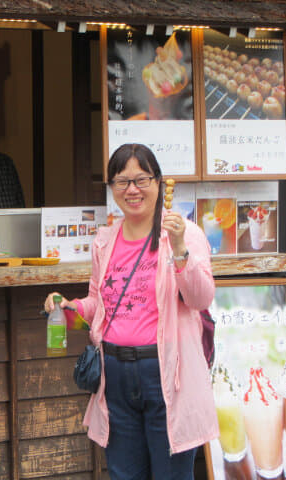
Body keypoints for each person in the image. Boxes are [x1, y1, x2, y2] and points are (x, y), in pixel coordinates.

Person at [44, 143, 218, 479]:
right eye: (122, 182)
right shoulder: (105, 241)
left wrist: (180, 249)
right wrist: (69, 307)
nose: (132, 190)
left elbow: (200, 298)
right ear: (111, 188)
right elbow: (99, 303)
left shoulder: (184, 234)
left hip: (167, 372)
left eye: (141, 179)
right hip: (115, 373)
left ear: (158, 182)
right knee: (124, 474)